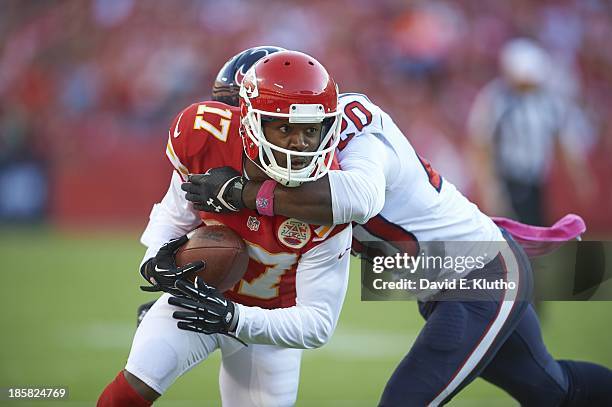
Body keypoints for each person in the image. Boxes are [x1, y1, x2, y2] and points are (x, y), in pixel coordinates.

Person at [180, 47, 612, 406]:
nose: (238, 134)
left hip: (478, 273)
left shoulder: (355, 131)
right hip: (434, 275)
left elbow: (357, 199)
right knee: (553, 391)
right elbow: (265, 258)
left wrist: (242, 194)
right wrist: (184, 290)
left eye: (250, 116)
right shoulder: (289, 159)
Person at [98, 50, 352, 407]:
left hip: (269, 326)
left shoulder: (335, 195)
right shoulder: (207, 138)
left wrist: (233, 317)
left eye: (311, 130)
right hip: (197, 296)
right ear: (248, 121)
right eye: (285, 128)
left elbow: (318, 323)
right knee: (131, 389)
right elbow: (173, 215)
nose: (300, 144)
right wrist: (154, 259)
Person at [468, 38, 595, 225]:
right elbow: (481, 144)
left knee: (536, 231)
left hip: (538, 180)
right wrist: (489, 187)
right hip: (508, 178)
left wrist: (579, 175)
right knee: (512, 237)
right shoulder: (497, 99)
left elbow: (561, 139)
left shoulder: (548, 102)